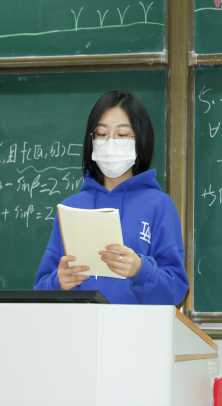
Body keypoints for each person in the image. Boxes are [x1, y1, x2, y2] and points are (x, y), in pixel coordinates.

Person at [34, 91, 189, 305]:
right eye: (101, 133)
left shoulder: (159, 206)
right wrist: (57, 283)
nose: (110, 143)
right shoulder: (71, 207)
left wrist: (141, 270)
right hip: (80, 325)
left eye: (122, 135)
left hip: (135, 327)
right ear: (92, 140)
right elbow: (40, 291)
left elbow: (175, 291)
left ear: (140, 140)